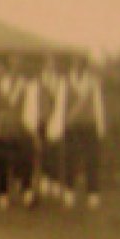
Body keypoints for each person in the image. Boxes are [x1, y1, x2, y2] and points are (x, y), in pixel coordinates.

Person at [0, 58, 39, 209]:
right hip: (3, 129)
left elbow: (31, 109)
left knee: (25, 159)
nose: (14, 70)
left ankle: (26, 191)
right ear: (6, 69)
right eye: (11, 67)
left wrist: (31, 128)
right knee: (1, 162)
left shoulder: (26, 86)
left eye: (17, 67)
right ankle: (2, 194)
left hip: (20, 128)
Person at [63, 55, 106, 208]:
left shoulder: (93, 82)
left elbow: (98, 104)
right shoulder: (66, 81)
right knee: (70, 159)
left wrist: (100, 127)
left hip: (89, 125)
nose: (78, 65)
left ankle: (93, 194)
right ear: (73, 64)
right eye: (76, 63)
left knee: (91, 160)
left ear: (85, 65)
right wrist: (61, 125)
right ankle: (69, 192)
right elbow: (62, 105)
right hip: (71, 125)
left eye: (81, 63)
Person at [37, 58, 67, 200]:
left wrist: (58, 117)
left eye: (53, 66)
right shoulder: (40, 83)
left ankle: (55, 181)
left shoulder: (62, 83)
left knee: (56, 151)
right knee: (45, 151)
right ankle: (45, 180)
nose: (50, 68)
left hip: (57, 119)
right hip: (43, 119)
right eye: (48, 65)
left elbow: (62, 102)